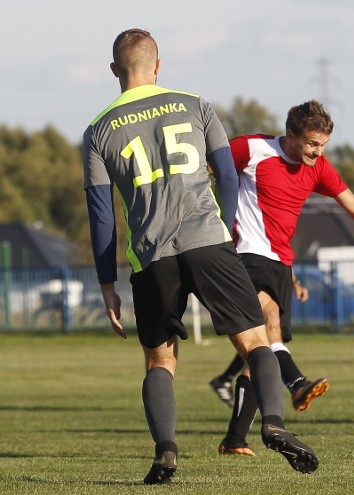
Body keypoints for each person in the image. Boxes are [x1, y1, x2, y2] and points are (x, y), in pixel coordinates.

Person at [82, 29, 318, 483]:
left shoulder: (98, 131)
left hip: (152, 257)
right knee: (254, 342)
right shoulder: (195, 104)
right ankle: (272, 423)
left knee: (160, 362)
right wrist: (225, 236)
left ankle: (167, 453)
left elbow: (102, 218)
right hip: (208, 241)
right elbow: (228, 178)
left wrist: (107, 285)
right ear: (158, 65)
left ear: (115, 70)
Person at [216, 99, 354, 456]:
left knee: (257, 354)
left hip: (281, 261)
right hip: (245, 254)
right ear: (290, 134)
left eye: (323, 145)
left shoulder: (318, 166)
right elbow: (205, 166)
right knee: (268, 321)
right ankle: (296, 382)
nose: (317, 151)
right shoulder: (251, 148)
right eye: (311, 143)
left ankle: (234, 440)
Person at [209, 269, 309, 408]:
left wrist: (295, 283)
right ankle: (296, 383)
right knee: (262, 339)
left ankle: (225, 380)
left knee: (261, 344)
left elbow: (284, 250)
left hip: (279, 271)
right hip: (257, 266)